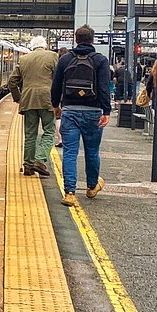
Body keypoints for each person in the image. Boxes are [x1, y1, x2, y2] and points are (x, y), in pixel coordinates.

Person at [51, 25, 111, 207]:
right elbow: (103, 88)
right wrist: (106, 111)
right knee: (92, 151)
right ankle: (92, 187)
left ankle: (69, 193)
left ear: (76, 39)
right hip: (93, 112)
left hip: (69, 111)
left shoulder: (65, 59)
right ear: (92, 40)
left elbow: (56, 86)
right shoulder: (100, 60)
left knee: (70, 152)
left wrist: (56, 105)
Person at [8, 36, 58, 177]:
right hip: (47, 99)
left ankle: (28, 167)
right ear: (45, 46)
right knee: (49, 131)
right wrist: (59, 100)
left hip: (28, 100)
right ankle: (39, 159)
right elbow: (58, 79)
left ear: (32, 46)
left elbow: (12, 81)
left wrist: (18, 98)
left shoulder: (24, 59)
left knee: (30, 134)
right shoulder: (53, 56)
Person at [54, 47, 68, 148]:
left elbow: (56, 83)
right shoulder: (72, 61)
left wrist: (54, 103)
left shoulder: (59, 63)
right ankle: (66, 139)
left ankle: (60, 139)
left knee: (58, 117)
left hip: (60, 93)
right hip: (69, 94)